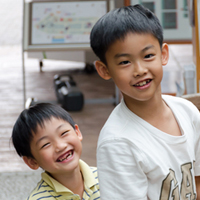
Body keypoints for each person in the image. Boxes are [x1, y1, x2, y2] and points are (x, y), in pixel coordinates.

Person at [90, 4, 200, 199]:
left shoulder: (187, 112)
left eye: (148, 56)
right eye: (125, 62)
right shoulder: (117, 143)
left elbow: (197, 183)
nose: (139, 70)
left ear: (163, 54)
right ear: (104, 70)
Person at [11, 103, 100, 200]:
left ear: (77, 132)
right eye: (46, 144)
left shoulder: (105, 176)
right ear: (32, 162)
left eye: (64, 133)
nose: (60, 146)